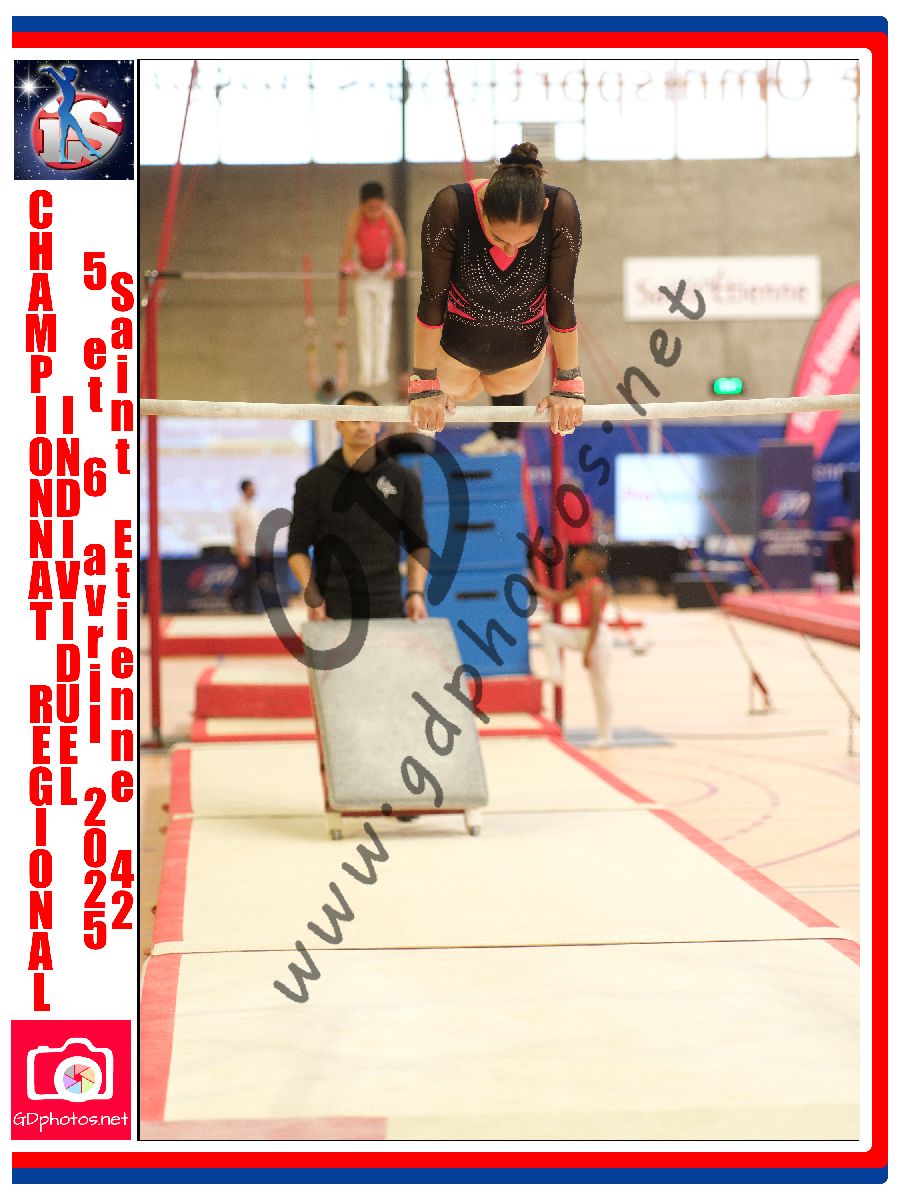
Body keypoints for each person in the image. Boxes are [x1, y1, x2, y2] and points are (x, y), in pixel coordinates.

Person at [409, 142, 585, 454]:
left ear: (544, 207)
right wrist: (424, 382)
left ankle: (500, 433)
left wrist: (568, 384)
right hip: (454, 353)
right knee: (459, 391)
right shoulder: (451, 206)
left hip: (521, 359)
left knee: (500, 388)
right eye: (499, 238)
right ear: (482, 206)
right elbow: (432, 299)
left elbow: (561, 301)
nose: (511, 250)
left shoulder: (561, 210)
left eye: (526, 241)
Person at [287, 391, 429, 621]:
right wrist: (311, 594)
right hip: (333, 610)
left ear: (378, 424)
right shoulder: (312, 483)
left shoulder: (404, 480)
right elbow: (297, 547)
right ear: (339, 424)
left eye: (368, 419)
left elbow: (418, 544)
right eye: (354, 419)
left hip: (387, 606)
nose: (362, 425)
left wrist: (415, 593)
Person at [532, 545, 613, 747]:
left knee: (599, 686)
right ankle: (555, 671)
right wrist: (534, 586)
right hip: (584, 635)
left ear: (590, 564)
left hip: (597, 639)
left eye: (580, 557)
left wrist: (587, 652)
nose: (575, 560)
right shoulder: (581, 585)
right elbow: (557, 597)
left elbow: (595, 622)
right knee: (548, 631)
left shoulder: (596, 588)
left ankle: (605, 735)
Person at [339, 182, 408, 387]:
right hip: (363, 274)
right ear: (362, 206)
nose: (375, 213)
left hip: (384, 274)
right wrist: (347, 265)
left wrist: (399, 264)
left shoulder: (389, 215)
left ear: (384, 204)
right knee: (365, 323)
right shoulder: (356, 217)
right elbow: (347, 243)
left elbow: (400, 240)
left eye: (379, 208)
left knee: (382, 322)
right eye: (370, 208)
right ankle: (366, 370)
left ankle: (380, 370)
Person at [228, 479, 263, 613]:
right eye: (251, 488)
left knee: (254, 578)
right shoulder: (239, 508)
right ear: (245, 490)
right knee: (248, 578)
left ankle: (235, 595)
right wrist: (240, 551)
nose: (254, 491)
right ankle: (247, 606)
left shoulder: (254, 508)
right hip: (245, 548)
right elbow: (237, 530)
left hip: (256, 548)